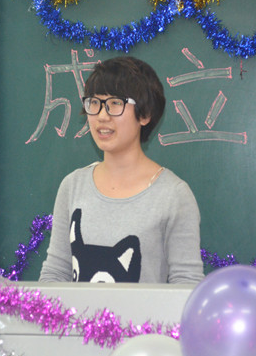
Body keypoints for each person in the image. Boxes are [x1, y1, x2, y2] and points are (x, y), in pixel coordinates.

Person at [39, 56, 204, 283]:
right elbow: (55, 273)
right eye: (94, 103)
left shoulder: (173, 195)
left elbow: (187, 284)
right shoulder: (73, 186)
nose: (102, 116)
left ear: (145, 114)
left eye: (115, 103)